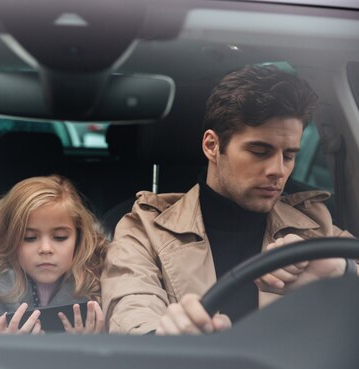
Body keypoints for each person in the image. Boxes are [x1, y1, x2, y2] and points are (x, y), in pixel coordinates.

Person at [100, 64, 357, 335]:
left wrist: (342, 271)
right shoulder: (144, 229)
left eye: (289, 155)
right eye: (259, 151)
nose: (278, 170)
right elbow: (131, 313)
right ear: (212, 146)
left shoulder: (315, 222)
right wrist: (166, 338)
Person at [0, 175, 108, 334]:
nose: (45, 249)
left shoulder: (98, 279)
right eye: (29, 238)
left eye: (60, 237)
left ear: (78, 238)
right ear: (10, 239)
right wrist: (6, 346)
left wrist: (91, 343)